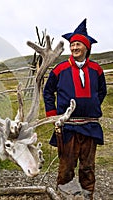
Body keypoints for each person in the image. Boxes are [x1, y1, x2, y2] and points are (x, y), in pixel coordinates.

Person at [43, 19, 107, 199]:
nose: (74, 47)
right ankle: (65, 197)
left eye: (78, 44)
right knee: (66, 167)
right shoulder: (60, 69)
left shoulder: (96, 70)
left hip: (90, 126)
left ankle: (87, 196)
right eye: (72, 44)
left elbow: (102, 91)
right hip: (68, 127)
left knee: (88, 168)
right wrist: (52, 114)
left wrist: (92, 104)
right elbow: (48, 91)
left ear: (86, 47)